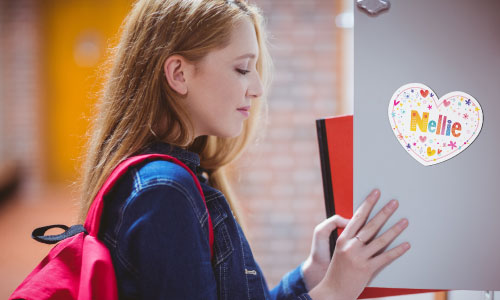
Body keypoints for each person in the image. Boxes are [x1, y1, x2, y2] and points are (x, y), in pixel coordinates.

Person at [78, 0, 410, 299]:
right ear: (179, 74)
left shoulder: (175, 181)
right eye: (242, 68)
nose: (257, 88)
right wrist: (335, 293)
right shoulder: (165, 192)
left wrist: (310, 276)